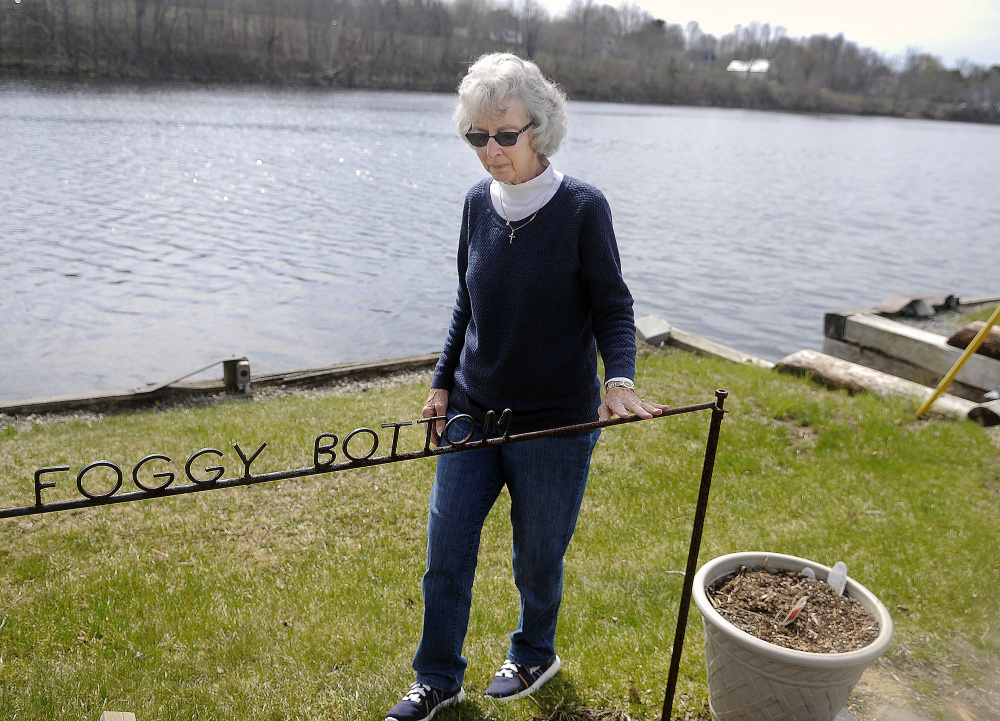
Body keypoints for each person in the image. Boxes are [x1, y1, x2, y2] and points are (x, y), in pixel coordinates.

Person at [385, 52, 667, 721]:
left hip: (555, 424)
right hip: (473, 412)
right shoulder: (475, 206)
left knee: (537, 556)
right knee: (445, 550)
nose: (490, 151)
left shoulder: (582, 208)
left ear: (538, 129)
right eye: (476, 136)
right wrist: (440, 383)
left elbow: (613, 306)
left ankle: (535, 649)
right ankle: (437, 678)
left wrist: (619, 375)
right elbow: (465, 301)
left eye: (504, 135)